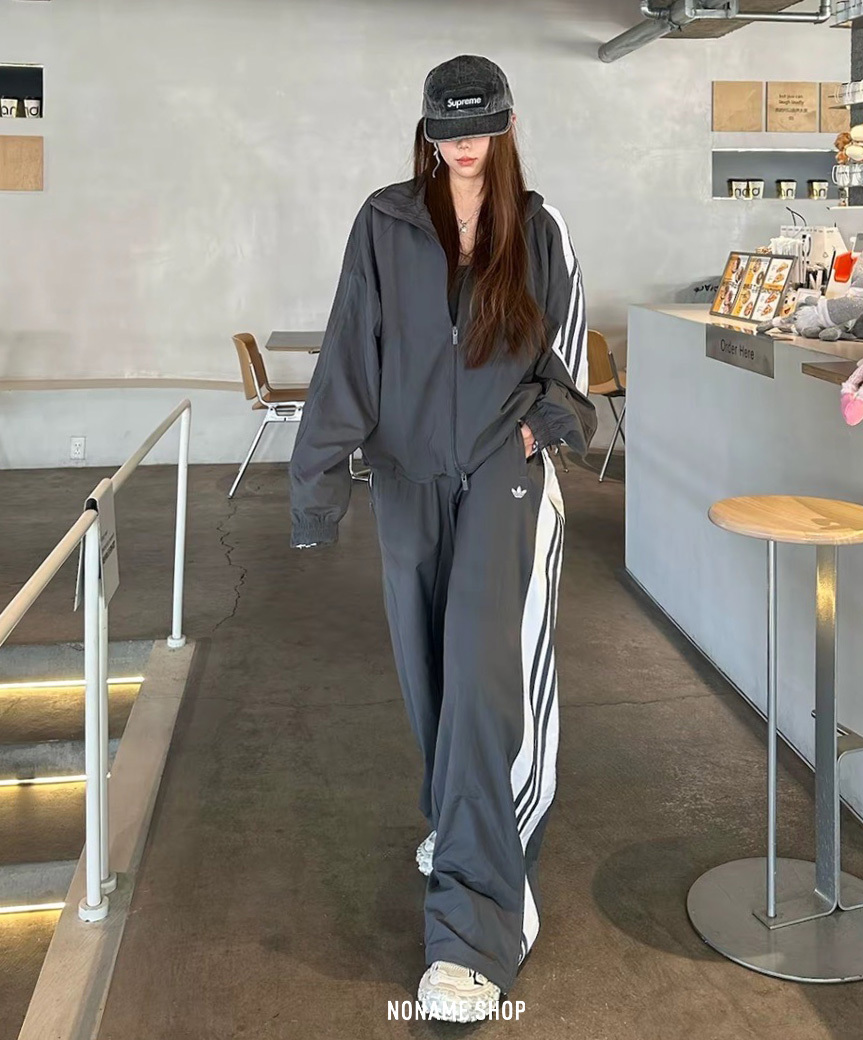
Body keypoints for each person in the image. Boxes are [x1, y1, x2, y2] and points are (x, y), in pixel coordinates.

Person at [289, 54, 596, 1022]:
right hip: (405, 476)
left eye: (479, 127)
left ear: (505, 127)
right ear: (427, 133)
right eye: (447, 129)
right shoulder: (384, 224)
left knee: (477, 674)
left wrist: (540, 427)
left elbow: (569, 360)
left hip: (503, 470)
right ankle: (462, 824)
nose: (463, 144)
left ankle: (475, 922)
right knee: (428, 673)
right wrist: (316, 486)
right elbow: (349, 351)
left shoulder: (536, 229)